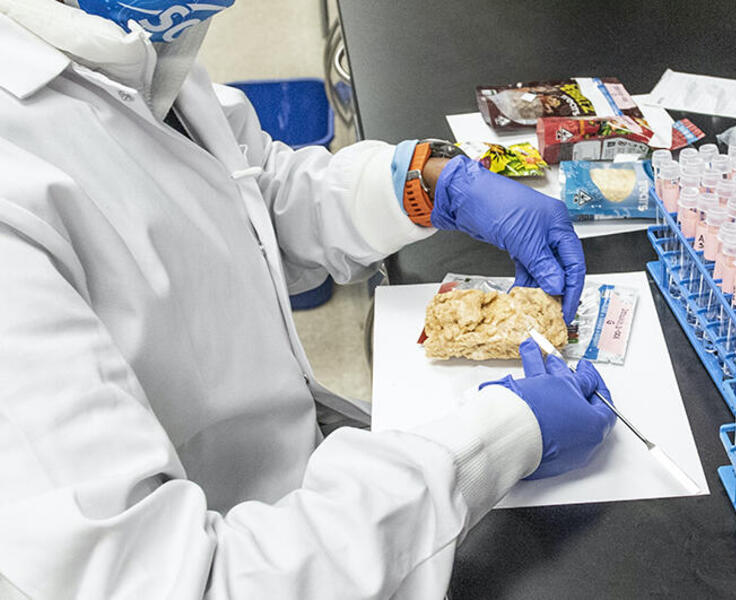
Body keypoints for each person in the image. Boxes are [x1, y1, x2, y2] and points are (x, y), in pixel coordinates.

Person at [0, 1, 616, 598]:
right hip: (276, 549)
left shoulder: (123, 44)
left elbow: (235, 197)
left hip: (309, 485)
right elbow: (187, 582)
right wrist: (496, 442)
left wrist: (423, 184)